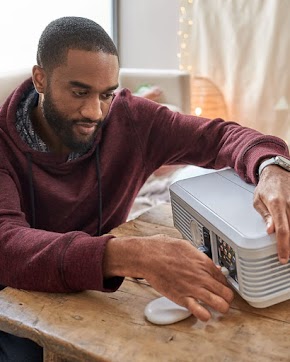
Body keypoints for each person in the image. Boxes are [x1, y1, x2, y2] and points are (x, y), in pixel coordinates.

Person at [0, 16, 290, 361]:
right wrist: (131, 255)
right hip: (17, 297)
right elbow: (7, 245)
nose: (94, 111)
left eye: (106, 94)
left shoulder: (130, 119)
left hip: (98, 290)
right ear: (40, 79)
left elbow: (220, 137)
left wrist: (272, 166)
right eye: (79, 92)